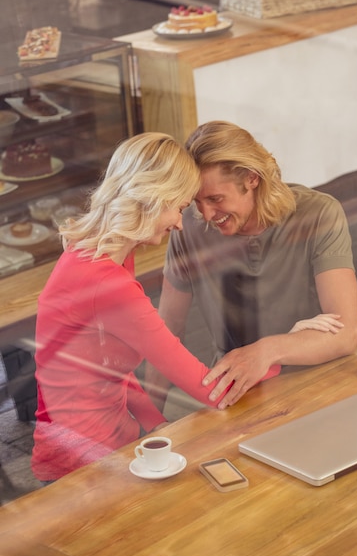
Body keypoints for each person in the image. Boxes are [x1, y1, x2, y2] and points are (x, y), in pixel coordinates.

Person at [31, 133, 235, 482]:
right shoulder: (108, 284)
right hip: (82, 469)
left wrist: (157, 425)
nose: (179, 223)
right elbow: (205, 387)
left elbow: (109, 368)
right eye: (180, 207)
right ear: (153, 198)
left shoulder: (98, 255)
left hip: (115, 447)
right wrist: (275, 353)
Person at [145, 120, 357, 412]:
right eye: (196, 201)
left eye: (215, 199)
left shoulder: (319, 213)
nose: (206, 214)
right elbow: (168, 331)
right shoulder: (190, 228)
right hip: (235, 389)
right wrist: (149, 420)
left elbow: (346, 334)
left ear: (251, 179)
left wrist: (267, 351)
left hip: (315, 379)